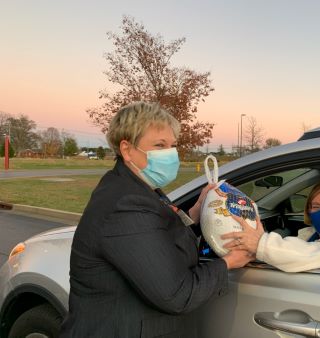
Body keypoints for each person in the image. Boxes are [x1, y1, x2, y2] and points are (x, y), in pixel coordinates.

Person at [59, 101, 252, 338]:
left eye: (172, 146)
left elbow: (157, 234)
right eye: (160, 145)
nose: (170, 154)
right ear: (127, 149)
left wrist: (197, 211)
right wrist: (230, 262)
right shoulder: (125, 204)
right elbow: (178, 295)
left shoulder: (136, 187)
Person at [222, 180, 320, 272]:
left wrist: (260, 242)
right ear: (309, 210)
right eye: (316, 207)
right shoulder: (309, 234)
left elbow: (306, 254)